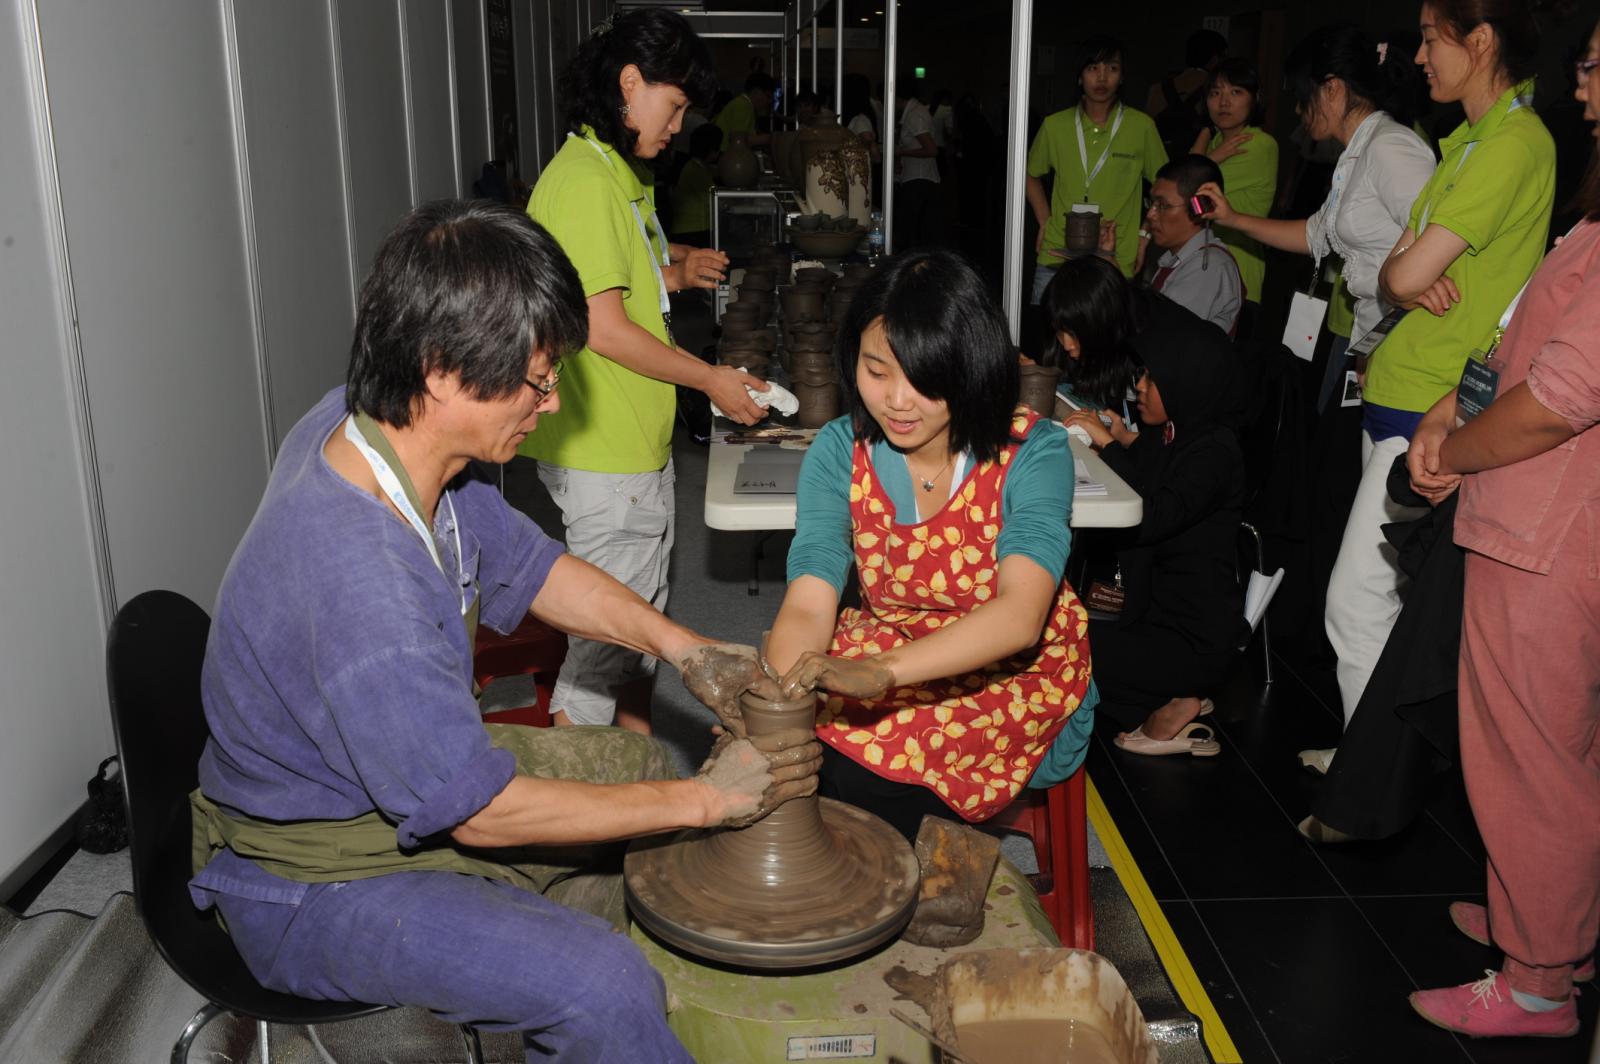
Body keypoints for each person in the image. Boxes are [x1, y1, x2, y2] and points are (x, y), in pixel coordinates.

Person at [187, 200, 819, 1062]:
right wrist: (708, 800)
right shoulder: (357, 576)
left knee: (635, 764)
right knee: (602, 985)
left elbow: (536, 568)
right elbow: (478, 813)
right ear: (443, 370)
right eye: (538, 378)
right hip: (310, 879)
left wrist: (685, 646)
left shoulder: (381, 426)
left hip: (373, 784)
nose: (552, 404)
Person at [1402, 19, 1600, 1038]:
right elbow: (1520, 343)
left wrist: (1457, 450)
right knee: (1547, 746)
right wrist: (1452, 413)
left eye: (1599, 59)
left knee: (1534, 753)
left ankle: (1536, 980)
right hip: (1530, 514)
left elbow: (1560, 396)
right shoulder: (1588, 211)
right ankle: (1546, 912)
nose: (1583, 73)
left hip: (1549, 534)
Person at [1302, 0, 1556, 774]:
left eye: (1430, 38)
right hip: (1404, 397)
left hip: (1434, 408)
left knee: (1358, 602)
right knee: (1389, 604)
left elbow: (1407, 270)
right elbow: (1392, 272)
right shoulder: (1468, 142)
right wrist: (1405, 274)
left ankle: (1368, 779)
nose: (1417, 56)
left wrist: (1409, 274)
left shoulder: (1513, 143)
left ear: (1479, 42)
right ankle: (1372, 762)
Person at [765, 250, 1095, 842]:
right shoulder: (840, 450)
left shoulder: (1033, 452)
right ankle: (874, 873)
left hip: (1012, 670)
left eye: (924, 377)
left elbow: (1020, 617)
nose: (896, 400)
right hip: (892, 640)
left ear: (971, 367)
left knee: (870, 768)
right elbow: (812, 596)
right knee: (794, 746)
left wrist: (879, 674)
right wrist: (781, 693)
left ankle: (890, 883)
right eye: (877, 370)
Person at [521, 10, 766, 733]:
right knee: (597, 668)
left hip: (628, 446)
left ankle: (634, 796)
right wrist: (710, 379)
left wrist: (674, 270)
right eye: (676, 103)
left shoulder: (609, 172)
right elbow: (601, 327)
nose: (680, 124)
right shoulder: (586, 183)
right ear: (630, 83)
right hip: (607, 457)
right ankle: (573, 826)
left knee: (633, 641)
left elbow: (605, 285)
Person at [1196, 24, 1435, 414]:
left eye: (1302, 96)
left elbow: (1437, 236)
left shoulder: (1390, 147)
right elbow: (1315, 233)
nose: (1297, 109)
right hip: (1371, 336)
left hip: (1401, 344)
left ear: (1333, 89)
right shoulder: (1358, 152)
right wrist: (1233, 218)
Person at [1058, 281, 1245, 754]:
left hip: (1188, 640)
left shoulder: (1214, 456)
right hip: (1156, 614)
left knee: (1062, 648)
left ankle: (1177, 699)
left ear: (1188, 382)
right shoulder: (1185, 434)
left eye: (1152, 379)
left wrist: (1106, 447)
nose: (1139, 385)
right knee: (1066, 628)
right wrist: (1125, 440)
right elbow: (1160, 477)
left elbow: (1154, 514)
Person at [1027, 36, 1168, 296]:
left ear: (1122, 77)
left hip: (1114, 257)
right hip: (1057, 254)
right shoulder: (1055, 125)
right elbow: (1030, 175)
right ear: (1080, 76)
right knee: (1049, 333)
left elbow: (1165, 188)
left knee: (1106, 335)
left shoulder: (1141, 126)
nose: (1102, 77)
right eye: (1093, 68)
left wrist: (1144, 235)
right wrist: (1044, 220)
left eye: (1112, 68)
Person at [1189, 57, 1279, 315]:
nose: (1224, 102)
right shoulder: (1216, 141)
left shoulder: (1257, 144)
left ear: (1254, 99)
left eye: (1236, 92)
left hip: (1237, 276)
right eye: (1215, 93)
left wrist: (1209, 157)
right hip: (1201, 271)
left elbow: (1188, 192)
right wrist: (1207, 136)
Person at [1144, 155, 1243, 334]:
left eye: (1163, 206)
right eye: (1152, 203)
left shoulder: (1207, 266)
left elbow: (1163, 336)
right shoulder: (1178, 258)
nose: (1151, 214)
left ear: (1200, 208)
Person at [1042, 254, 1146, 413]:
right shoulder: (1062, 354)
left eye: (1074, 333)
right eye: (1059, 331)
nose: (1067, 345)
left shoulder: (1142, 369)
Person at [1147, 28, 1229, 163]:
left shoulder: (1157, 89)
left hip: (1159, 163)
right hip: (1200, 164)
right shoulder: (1217, 90)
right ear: (1215, 59)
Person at [893, 73, 942, 250]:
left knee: (912, 231)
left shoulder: (915, 115)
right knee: (915, 230)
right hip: (916, 178)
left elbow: (931, 150)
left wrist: (900, 152)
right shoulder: (913, 112)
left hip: (920, 179)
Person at [669, 122, 720, 247]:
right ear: (711, 149)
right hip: (691, 231)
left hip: (696, 229)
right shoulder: (694, 169)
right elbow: (713, 197)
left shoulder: (699, 166)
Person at [714, 71, 774, 148]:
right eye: (768, 96)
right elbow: (738, 140)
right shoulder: (743, 105)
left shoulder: (743, 103)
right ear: (756, 91)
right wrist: (770, 138)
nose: (769, 102)